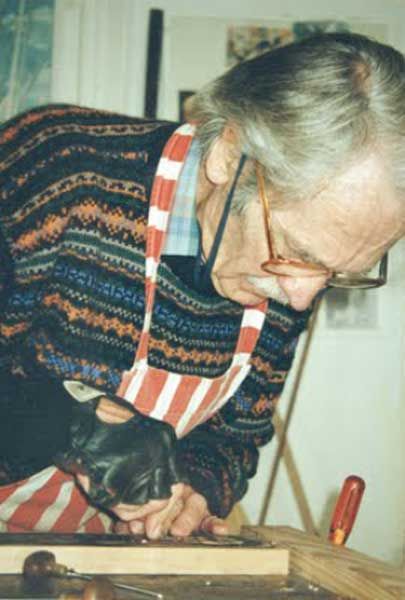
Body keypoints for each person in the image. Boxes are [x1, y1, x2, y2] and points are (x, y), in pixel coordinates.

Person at [0, 32, 404, 538]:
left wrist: (194, 489)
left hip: (71, 562)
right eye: (295, 252)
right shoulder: (52, 168)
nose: (301, 298)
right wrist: (72, 425)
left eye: (337, 273)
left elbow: (235, 436)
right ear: (228, 155)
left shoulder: (293, 273)